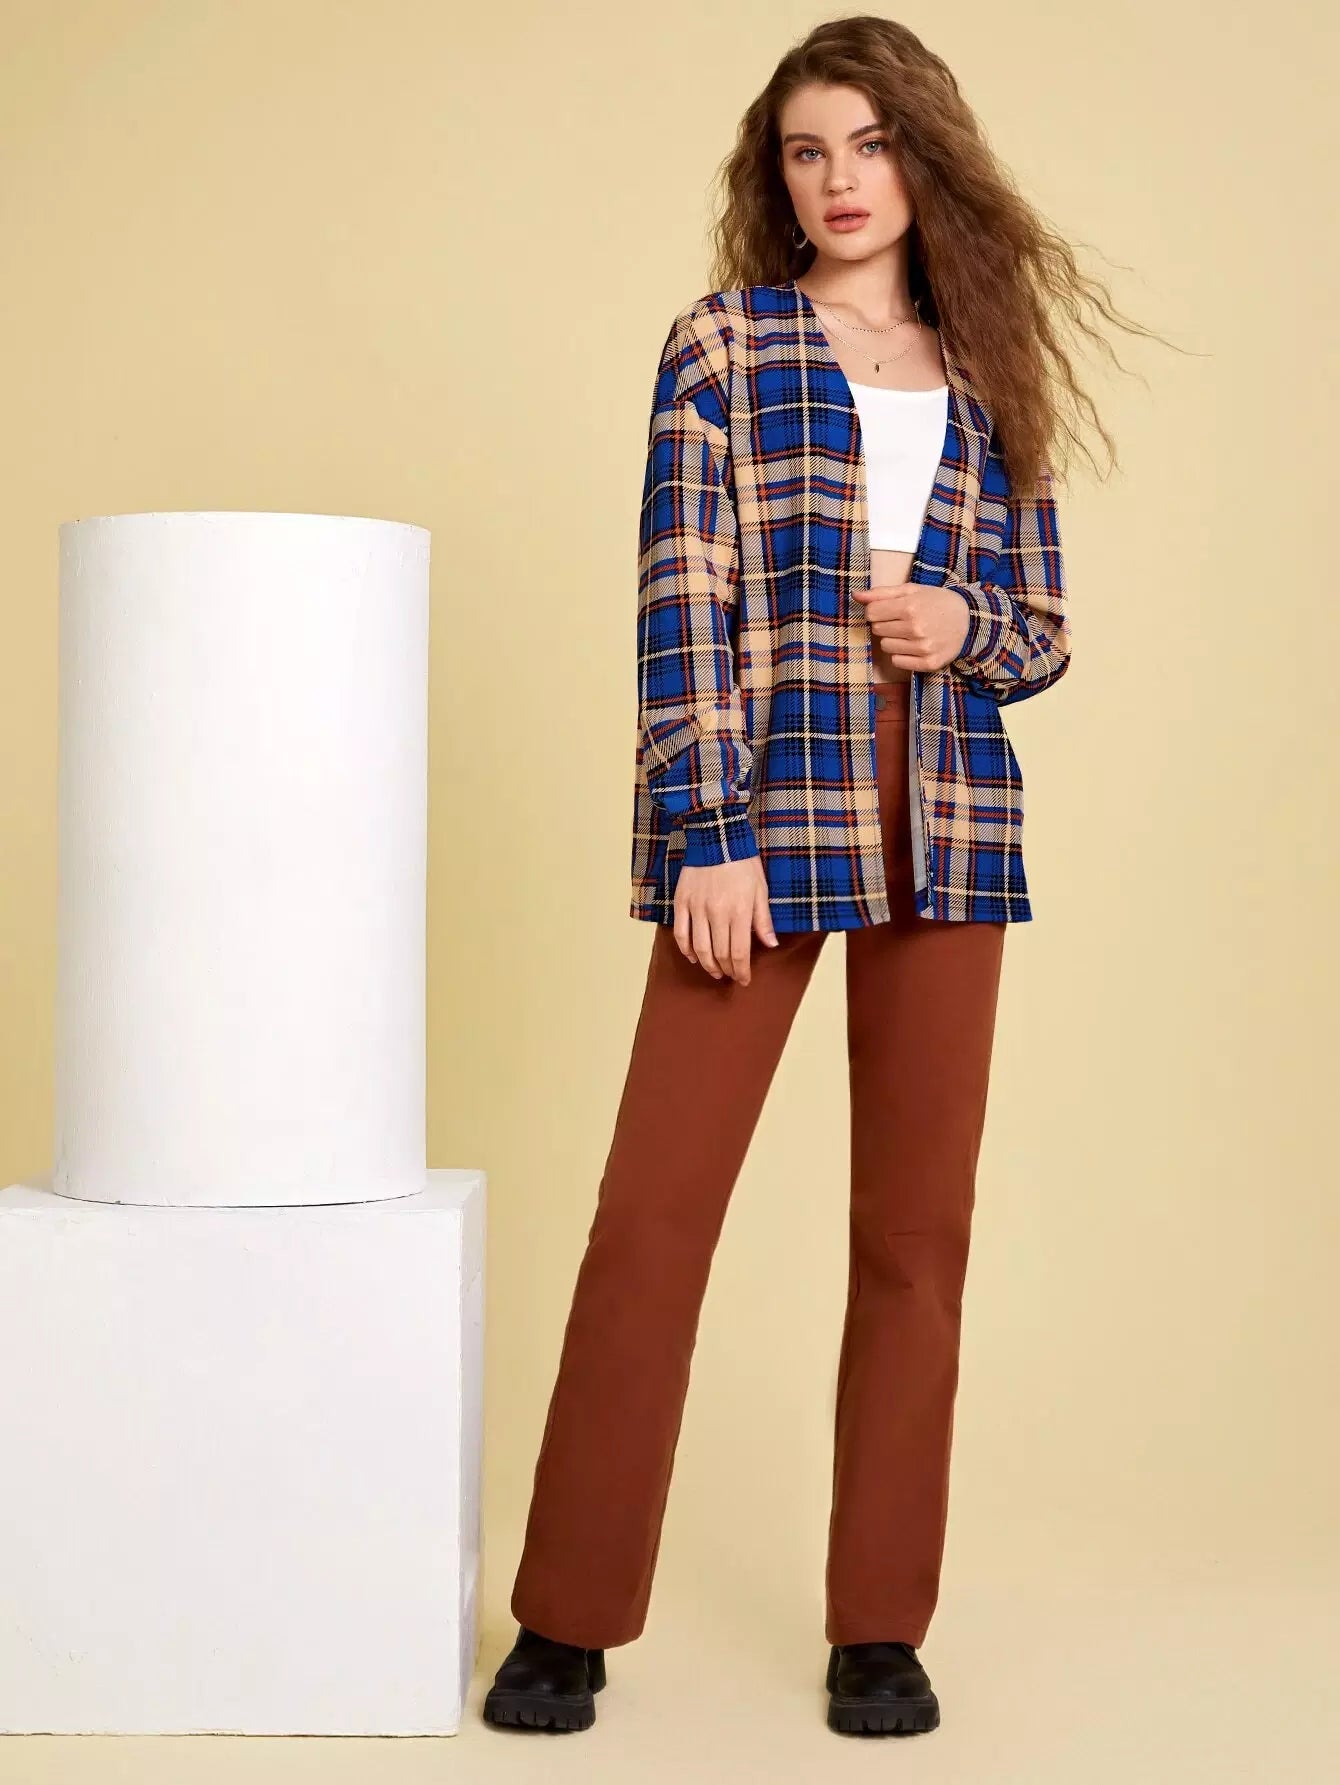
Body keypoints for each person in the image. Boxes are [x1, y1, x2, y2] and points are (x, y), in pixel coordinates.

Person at [484, 11, 1150, 1737]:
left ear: (925, 158)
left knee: (918, 1237)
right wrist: (703, 831)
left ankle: (880, 1628)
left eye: (869, 144)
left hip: (952, 821)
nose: (840, 180)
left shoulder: (990, 368)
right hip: (765, 812)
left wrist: (960, 621)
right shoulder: (725, 343)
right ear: (773, 177)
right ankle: (567, 1616)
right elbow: (679, 593)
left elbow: (1041, 630)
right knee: (654, 1215)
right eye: (807, 151)